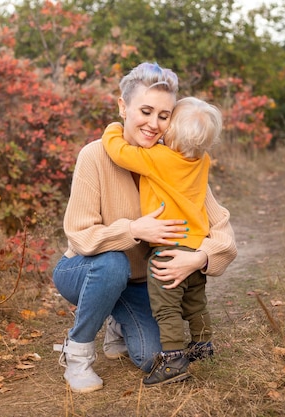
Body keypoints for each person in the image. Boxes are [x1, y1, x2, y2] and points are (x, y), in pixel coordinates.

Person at [51, 62, 237, 393]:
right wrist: (135, 230)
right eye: (146, 111)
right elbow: (79, 236)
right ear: (123, 107)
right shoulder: (95, 156)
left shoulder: (178, 162)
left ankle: (117, 320)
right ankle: (77, 354)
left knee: (155, 355)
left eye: (163, 116)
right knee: (113, 263)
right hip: (85, 268)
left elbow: (221, 228)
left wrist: (199, 258)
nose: (153, 124)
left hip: (141, 283)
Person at [101, 96, 223, 386]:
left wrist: (112, 129)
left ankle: (173, 361)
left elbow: (119, 152)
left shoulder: (158, 158)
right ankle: (203, 345)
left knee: (166, 309)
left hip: (167, 252)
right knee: (196, 303)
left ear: (169, 134)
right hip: (195, 247)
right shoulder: (201, 160)